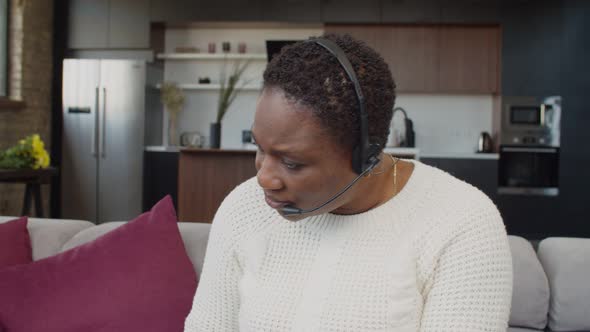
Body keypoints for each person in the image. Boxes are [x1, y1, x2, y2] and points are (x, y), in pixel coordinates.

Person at [184, 34, 512, 332]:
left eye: (291, 162)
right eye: (260, 147)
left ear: (366, 157)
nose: (263, 178)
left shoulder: (463, 222)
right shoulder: (242, 208)